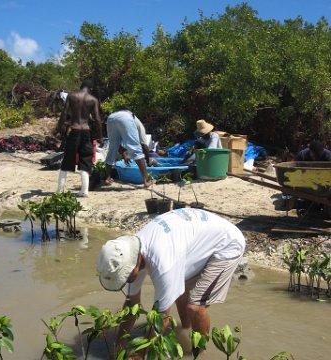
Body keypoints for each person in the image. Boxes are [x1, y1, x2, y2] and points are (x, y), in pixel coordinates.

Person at [97, 208, 245, 354]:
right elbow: (131, 305)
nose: (126, 280)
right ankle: (185, 329)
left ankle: (199, 353)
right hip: (192, 237)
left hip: (226, 244)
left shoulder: (163, 264)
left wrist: (141, 355)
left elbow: (161, 320)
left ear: (135, 263)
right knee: (178, 291)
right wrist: (118, 343)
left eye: (125, 276)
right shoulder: (129, 252)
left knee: (195, 307)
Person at [54, 80, 103, 197]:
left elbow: (64, 114)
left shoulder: (72, 96)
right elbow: (97, 119)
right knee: (85, 159)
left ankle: (60, 190)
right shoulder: (93, 100)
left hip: (74, 130)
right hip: (86, 131)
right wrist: (100, 136)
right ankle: (84, 190)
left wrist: (57, 130)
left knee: (67, 159)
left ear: (81, 87)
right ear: (90, 89)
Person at [104, 110, 153, 187]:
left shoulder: (132, 120)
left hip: (110, 118)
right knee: (136, 149)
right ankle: (146, 180)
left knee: (112, 148)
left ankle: (108, 178)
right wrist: (148, 158)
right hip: (125, 117)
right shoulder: (141, 127)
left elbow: (117, 145)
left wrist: (124, 153)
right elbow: (144, 145)